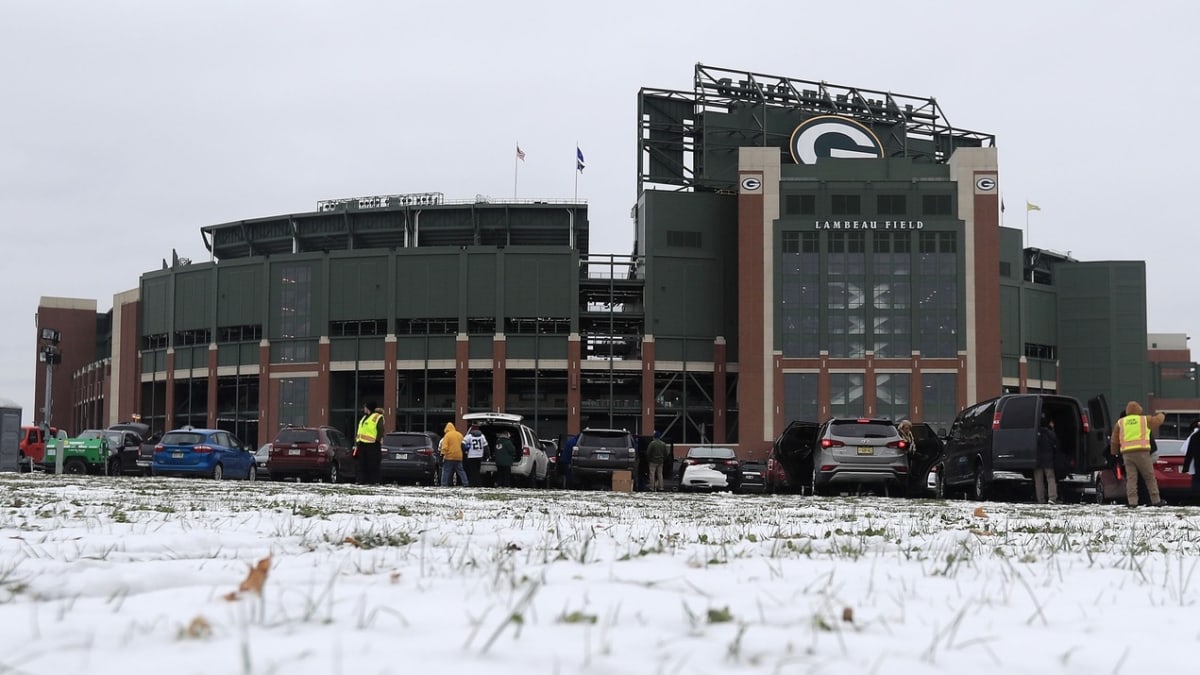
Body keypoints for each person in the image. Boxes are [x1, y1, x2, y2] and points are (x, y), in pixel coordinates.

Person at [1110, 400, 1167, 507]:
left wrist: (1115, 454)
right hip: (1142, 453)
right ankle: (1156, 500)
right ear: (1138, 410)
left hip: (1127, 454)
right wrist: (1162, 414)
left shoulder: (1121, 422)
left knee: (1131, 479)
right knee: (1149, 477)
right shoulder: (1144, 420)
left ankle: (1132, 502)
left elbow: (1114, 440)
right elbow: (1158, 420)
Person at [354, 402, 385, 485]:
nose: (364, 409)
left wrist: (377, 441)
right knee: (361, 464)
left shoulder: (377, 417)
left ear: (368, 408)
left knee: (373, 464)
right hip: (362, 444)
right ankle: (361, 480)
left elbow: (380, 429)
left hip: (372, 445)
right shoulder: (364, 417)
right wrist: (357, 441)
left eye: (365, 407)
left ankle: (375, 481)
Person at [1034, 416, 1059, 504]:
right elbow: (1055, 445)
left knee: (1038, 480)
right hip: (1048, 459)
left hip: (1037, 459)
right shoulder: (1050, 433)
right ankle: (1052, 497)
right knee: (1050, 478)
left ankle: (1040, 499)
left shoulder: (1035, 433)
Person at [439, 421, 467, 487]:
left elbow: (444, 447)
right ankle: (465, 483)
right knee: (461, 471)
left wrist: (442, 455)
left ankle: (444, 484)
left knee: (446, 471)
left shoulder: (447, 435)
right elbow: (463, 445)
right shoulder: (459, 435)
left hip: (449, 457)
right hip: (458, 457)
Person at [1181, 421, 1200, 496]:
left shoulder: (1194, 436)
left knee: (1196, 481)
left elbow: (1189, 453)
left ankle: (1196, 498)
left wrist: (1186, 467)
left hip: (1197, 463)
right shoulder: (1194, 436)